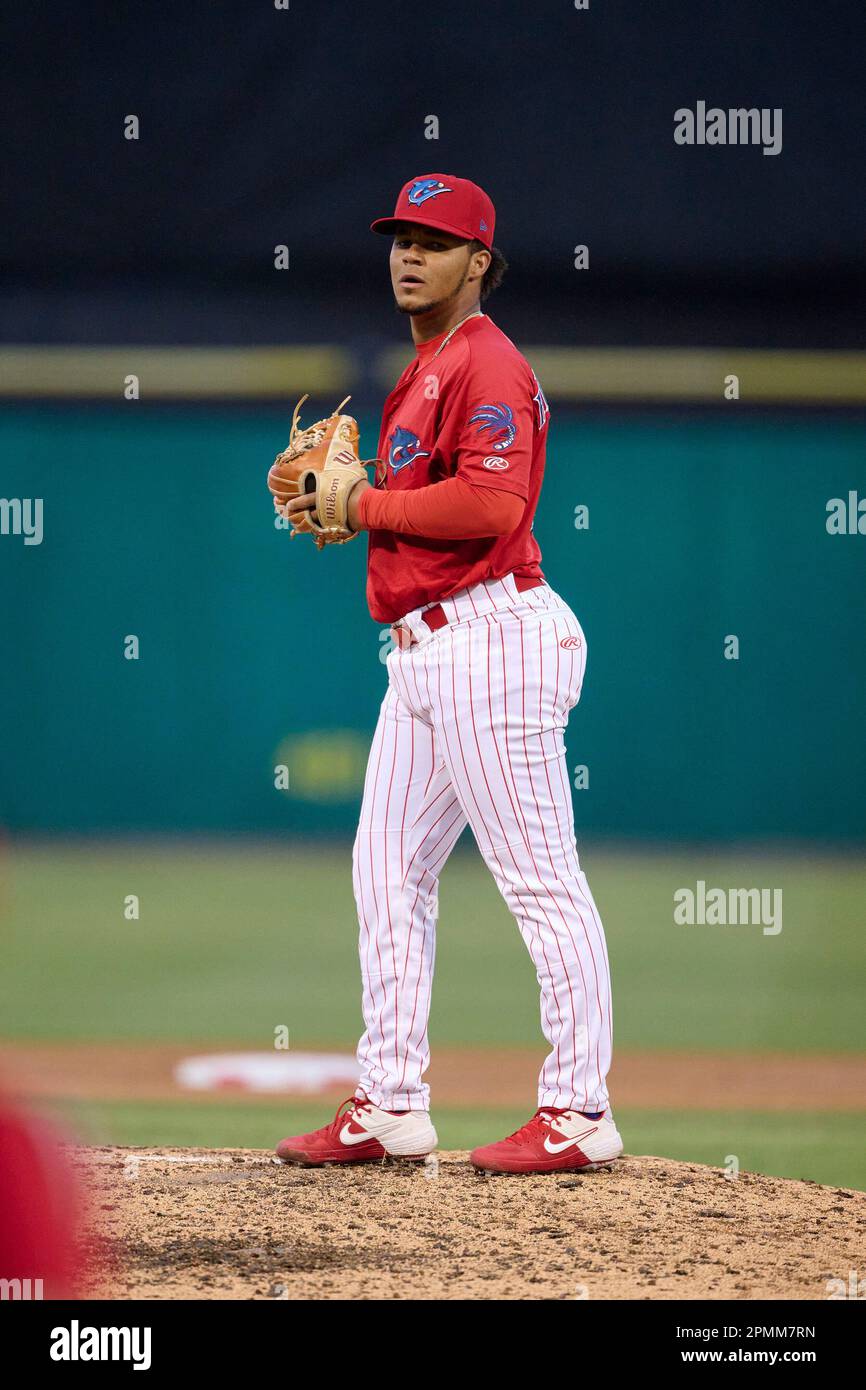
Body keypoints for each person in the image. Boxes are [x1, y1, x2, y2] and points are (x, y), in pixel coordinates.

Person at [275, 174, 622, 1174]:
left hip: (492, 643)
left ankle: (578, 1110)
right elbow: (414, 511)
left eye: (433, 240)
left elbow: (490, 507)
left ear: (479, 261)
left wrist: (367, 504)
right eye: (398, 237)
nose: (407, 254)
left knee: (538, 882)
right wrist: (364, 504)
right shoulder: (417, 369)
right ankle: (389, 1099)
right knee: (385, 871)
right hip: (423, 655)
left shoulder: (487, 364)